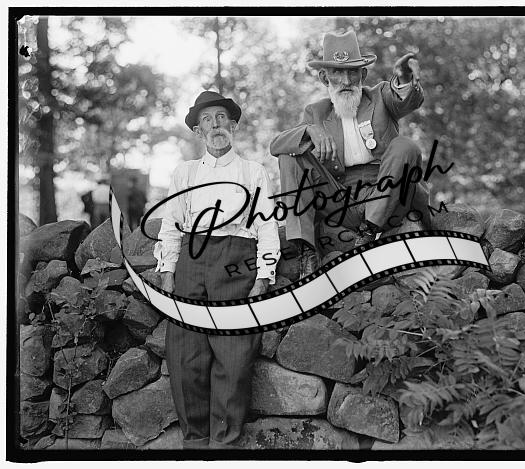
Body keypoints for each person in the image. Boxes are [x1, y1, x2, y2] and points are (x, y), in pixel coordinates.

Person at [153, 90, 280, 449]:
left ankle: (224, 445)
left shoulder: (253, 172)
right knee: (185, 356)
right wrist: (167, 273)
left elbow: (267, 227)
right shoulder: (185, 172)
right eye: (207, 120)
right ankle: (195, 443)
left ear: (233, 125)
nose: (215, 125)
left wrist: (264, 276)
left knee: (234, 355)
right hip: (192, 261)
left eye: (221, 117)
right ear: (198, 131)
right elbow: (171, 225)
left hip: (237, 260)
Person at [270, 30, 431, 279]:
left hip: (387, 193)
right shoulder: (316, 112)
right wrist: (309, 130)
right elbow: (276, 145)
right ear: (324, 77)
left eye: (352, 71)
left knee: (405, 145)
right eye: (337, 72)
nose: (346, 80)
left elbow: (405, 100)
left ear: (363, 74)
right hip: (339, 200)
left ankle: (368, 235)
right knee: (290, 155)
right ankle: (306, 252)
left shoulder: (380, 96)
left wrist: (404, 78)